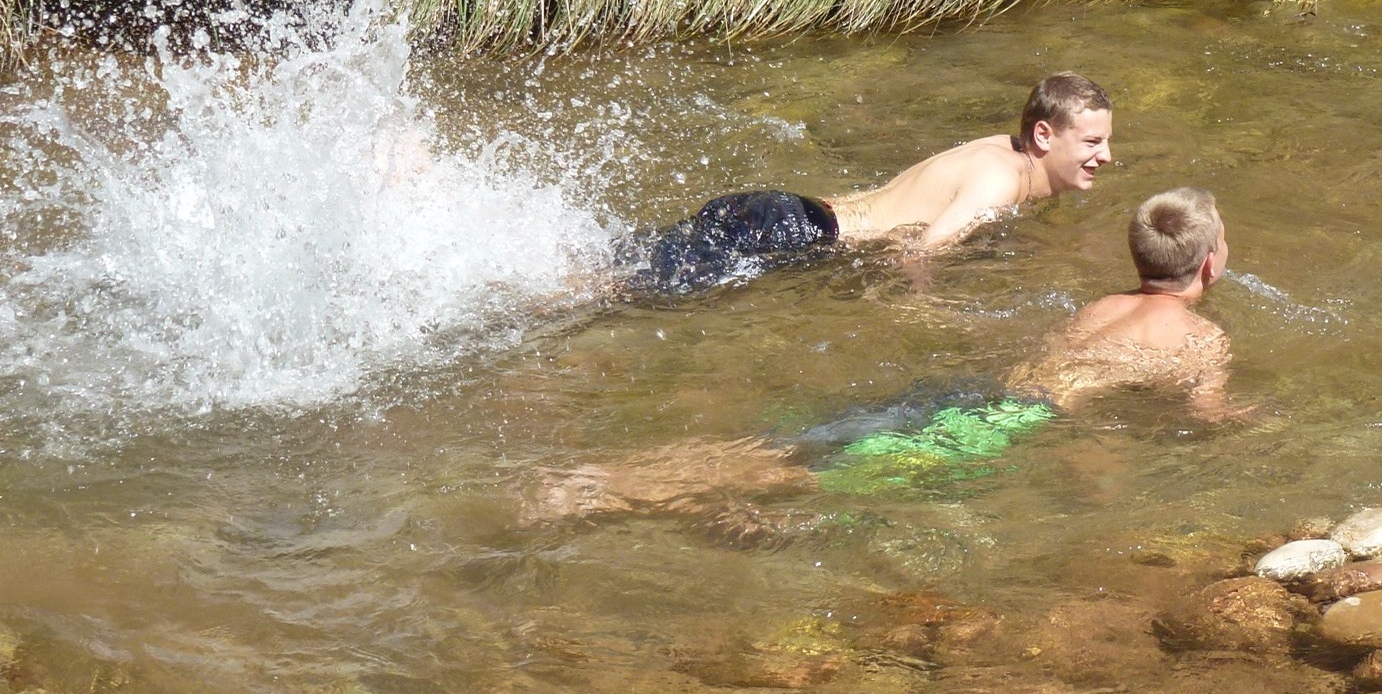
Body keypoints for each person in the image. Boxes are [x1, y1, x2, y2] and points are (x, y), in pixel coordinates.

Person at [525, 187, 1240, 519]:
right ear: (1210, 263)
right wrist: (1250, 422)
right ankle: (602, 490)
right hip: (1006, 418)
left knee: (796, 446)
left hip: (970, 389)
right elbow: (1205, 418)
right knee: (800, 473)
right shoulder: (1203, 339)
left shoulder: (1100, 306)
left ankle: (607, 479)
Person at [623, 72, 1114, 293]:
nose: (1106, 156)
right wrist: (928, 310)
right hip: (798, 233)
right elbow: (918, 253)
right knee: (622, 291)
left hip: (784, 212)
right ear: (1044, 135)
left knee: (623, 264)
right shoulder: (1002, 179)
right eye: (1092, 142)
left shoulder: (1003, 149)